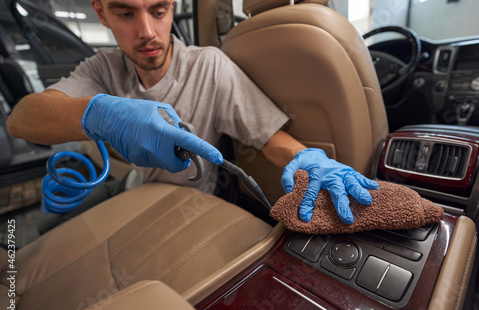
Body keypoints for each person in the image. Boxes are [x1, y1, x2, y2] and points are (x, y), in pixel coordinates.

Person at [7, 0, 378, 226]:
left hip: (189, 203)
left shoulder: (209, 67)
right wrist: (100, 114)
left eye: (158, 10)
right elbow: (22, 119)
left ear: (171, 5)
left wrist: (307, 158)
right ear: (100, 13)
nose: (148, 32)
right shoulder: (101, 70)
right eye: (125, 13)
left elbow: (267, 137)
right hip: (138, 192)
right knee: (49, 223)